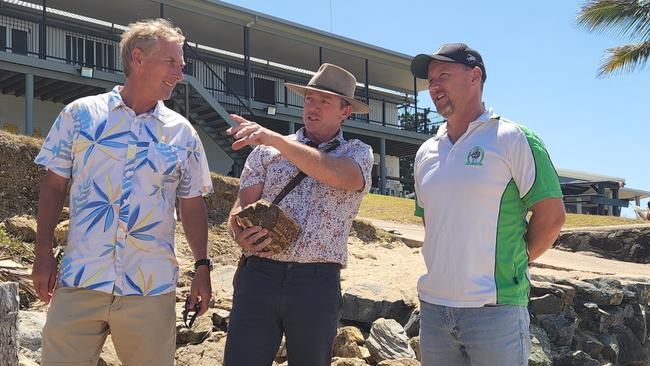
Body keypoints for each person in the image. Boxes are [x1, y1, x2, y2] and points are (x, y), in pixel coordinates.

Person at [31, 19, 214, 365]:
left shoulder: (183, 134)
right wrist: (42, 252)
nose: (179, 73)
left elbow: (192, 206)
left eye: (181, 65)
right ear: (138, 58)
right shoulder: (80, 115)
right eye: (171, 62)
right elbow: (54, 186)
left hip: (151, 289)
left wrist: (202, 268)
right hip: (80, 279)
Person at [410, 43, 566, 365]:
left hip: (495, 311)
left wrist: (514, 263)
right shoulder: (425, 152)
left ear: (475, 76)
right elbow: (432, 224)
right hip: (434, 309)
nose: (434, 87)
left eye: (443, 75)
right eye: (430, 81)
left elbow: (551, 216)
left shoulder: (512, 138)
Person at [223, 63, 373, 366]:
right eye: (309, 99)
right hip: (259, 276)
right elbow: (240, 208)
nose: (312, 107)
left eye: (324, 101)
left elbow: (338, 175)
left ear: (345, 111)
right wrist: (239, 233)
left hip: (316, 284)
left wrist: (278, 140)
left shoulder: (356, 153)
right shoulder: (265, 152)